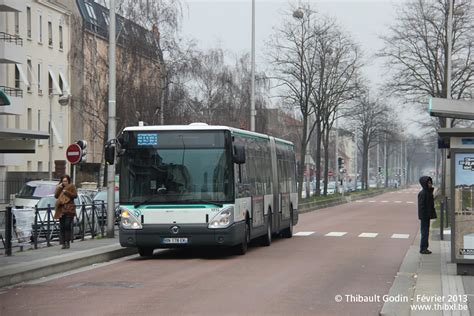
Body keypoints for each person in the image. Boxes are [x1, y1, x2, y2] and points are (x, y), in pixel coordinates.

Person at [54, 175, 77, 249]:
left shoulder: (72, 186)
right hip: (61, 209)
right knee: (62, 226)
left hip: (69, 208)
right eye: (63, 181)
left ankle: (68, 242)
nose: (65, 183)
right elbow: (56, 196)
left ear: (68, 181)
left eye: (66, 181)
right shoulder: (60, 187)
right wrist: (59, 188)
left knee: (67, 225)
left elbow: (75, 195)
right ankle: (63, 243)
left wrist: (66, 192)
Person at [418, 176, 437, 254]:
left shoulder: (428, 192)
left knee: (426, 232)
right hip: (424, 217)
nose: (430, 184)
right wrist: (423, 216)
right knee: (425, 232)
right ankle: (423, 248)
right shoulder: (423, 193)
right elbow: (421, 206)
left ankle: (425, 247)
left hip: (427, 216)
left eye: (430, 182)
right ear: (424, 184)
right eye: (428, 183)